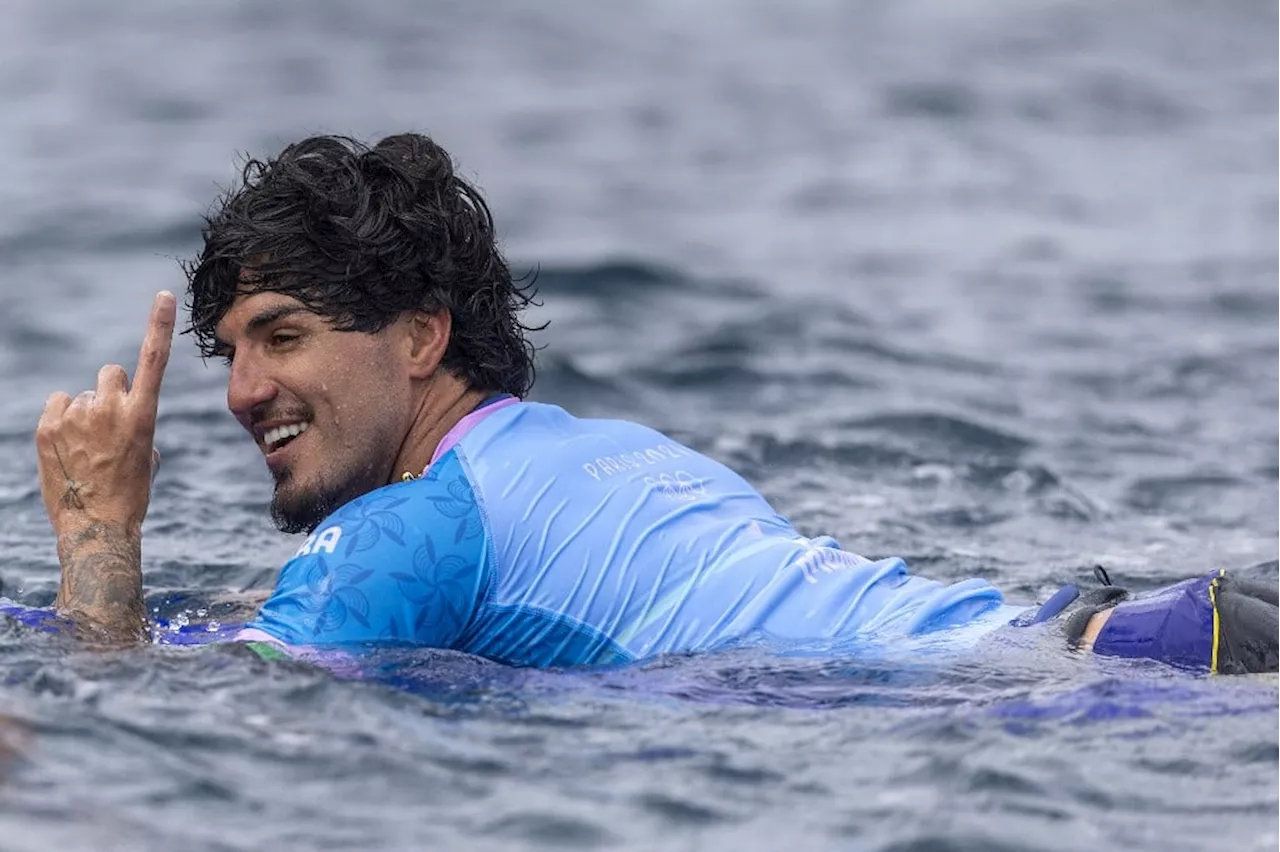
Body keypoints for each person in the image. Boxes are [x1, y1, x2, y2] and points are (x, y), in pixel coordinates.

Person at [30, 134, 1280, 675]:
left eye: (283, 338)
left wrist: (97, 534)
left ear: (421, 337)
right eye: (232, 353)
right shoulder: (619, 454)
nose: (246, 393)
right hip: (1119, 628)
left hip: (1100, 690)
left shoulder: (415, 531)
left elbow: (181, 713)